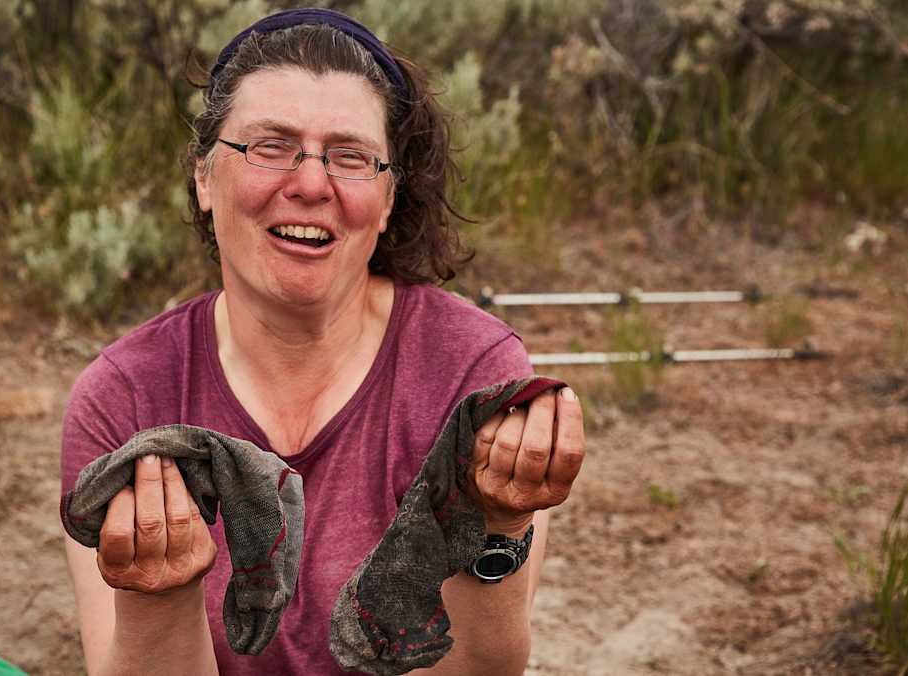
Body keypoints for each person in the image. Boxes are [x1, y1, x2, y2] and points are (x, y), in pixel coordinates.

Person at [60, 8, 585, 675]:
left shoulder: (472, 373)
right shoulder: (124, 395)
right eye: (269, 146)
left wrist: (498, 526)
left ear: (389, 197)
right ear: (203, 178)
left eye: (349, 157)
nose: (310, 184)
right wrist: (159, 595)